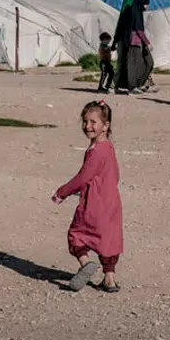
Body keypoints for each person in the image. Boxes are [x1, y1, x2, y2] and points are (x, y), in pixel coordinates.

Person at [53, 100, 123, 293]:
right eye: (85, 122)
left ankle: (86, 263)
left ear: (105, 125)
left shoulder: (96, 151)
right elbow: (115, 173)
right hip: (112, 202)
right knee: (108, 239)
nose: (88, 126)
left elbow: (83, 176)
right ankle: (110, 279)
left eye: (93, 122)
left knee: (76, 235)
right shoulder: (108, 147)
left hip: (93, 203)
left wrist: (62, 192)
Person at [113, 0, 155, 94]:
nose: (146, 6)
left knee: (147, 63)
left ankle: (138, 84)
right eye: (145, 4)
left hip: (137, 43)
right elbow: (138, 30)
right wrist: (148, 43)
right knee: (133, 65)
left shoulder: (137, 12)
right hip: (132, 43)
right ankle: (132, 87)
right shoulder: (134, 13)